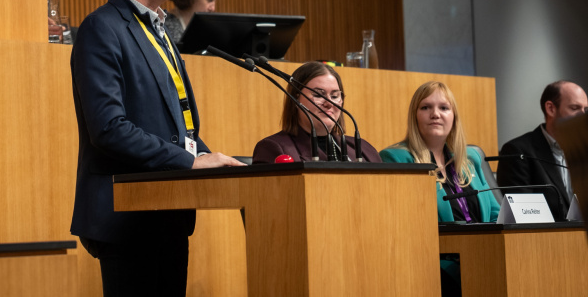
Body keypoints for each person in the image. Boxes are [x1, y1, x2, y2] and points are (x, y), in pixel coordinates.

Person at [70, 0, 244, 296]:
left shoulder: (160, 29)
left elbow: (177, 125)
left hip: (168, 213)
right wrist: (190, 162)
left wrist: (212, 158)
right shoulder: (102, 28)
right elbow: (109, 128)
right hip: (128, 218)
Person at [380, 81, 501, 223]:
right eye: (425, 107)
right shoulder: (397, 159)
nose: (435, 114)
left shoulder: (470, 158)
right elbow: (402, 220)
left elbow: (496, 216)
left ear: (454, 117)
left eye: (444, 108)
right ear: (414, 116)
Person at [252, 61, 381, 163]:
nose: (329, 103)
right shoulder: (274, 148)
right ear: (296, 99)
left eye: (335, 96)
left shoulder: (364, 150)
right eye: (319, 95)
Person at [497, 80, 588, 220]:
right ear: (551, 108)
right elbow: (525, 216)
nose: (583, 116)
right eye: (575, 108)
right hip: (545, 239)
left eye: (585, 110)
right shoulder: (517, 151)